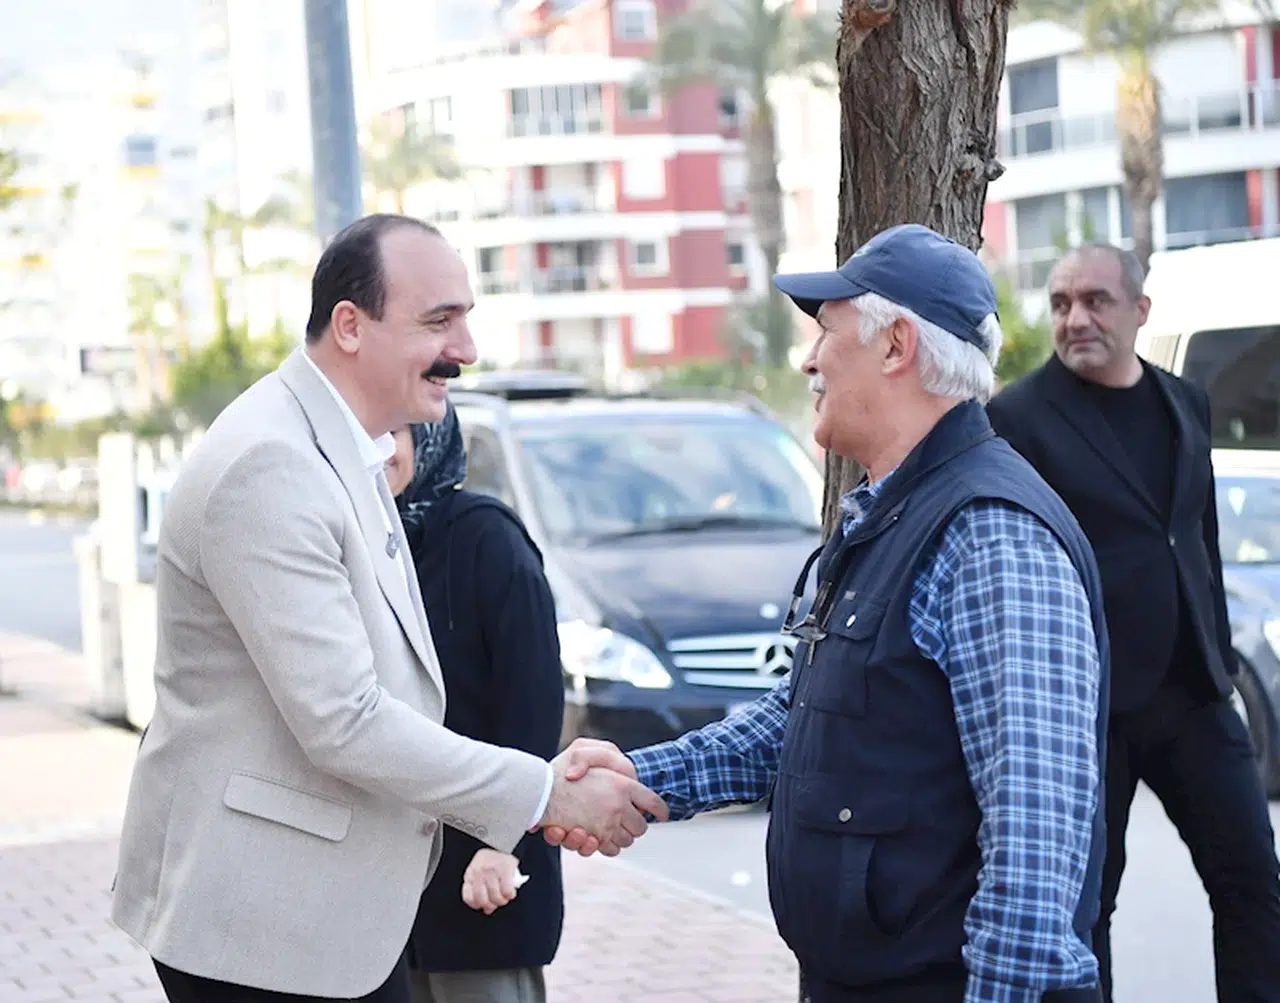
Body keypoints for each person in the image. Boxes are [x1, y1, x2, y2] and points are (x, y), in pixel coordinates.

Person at [109, 213, 666, 1003]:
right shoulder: (273, 465)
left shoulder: (340, 445)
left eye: (466, 318)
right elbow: (344, 719)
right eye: (439, 321)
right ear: (350, 326)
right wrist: (545, 792)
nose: (466, 349)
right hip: (263, 929)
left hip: (314, 917)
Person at [549, 223, 1111, 1003]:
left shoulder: (990, 533)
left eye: (827, 332)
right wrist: (645, 776)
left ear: (896, 346)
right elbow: (807, 723)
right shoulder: (898, 511)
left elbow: (1036, 840)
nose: (808, 360)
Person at [986, 243, 1280, 1002]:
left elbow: (1197, 536)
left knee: (1253, 882)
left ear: (1140, 310)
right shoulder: (1016, 418)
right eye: (1060, 304)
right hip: (1090, 706)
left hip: (1193, 692)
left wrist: (1216, 652)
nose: (1075, 319)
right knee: (1089, 909)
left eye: (1095, 301)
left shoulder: (1186, 401)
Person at [385, 408, 564, 1003]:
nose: (379, 450)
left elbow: (532, 706)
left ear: (430, 438)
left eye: (394, 434)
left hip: (482, 877)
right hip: (389, 887)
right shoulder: (366, 540)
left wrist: (501, 843)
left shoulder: (487, 539)